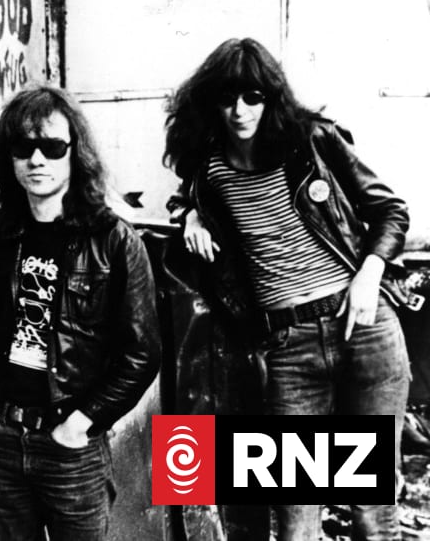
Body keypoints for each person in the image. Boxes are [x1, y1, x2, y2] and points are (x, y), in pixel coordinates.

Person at [163, 37, 411, 540]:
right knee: (296, 518)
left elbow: (391, 211)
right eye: (227, 98)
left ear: (270, 97)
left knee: (371, 508)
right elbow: (185, 197)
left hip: (362, 328)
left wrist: (369, 275)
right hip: (287, 347)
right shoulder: (208, 168)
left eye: (252, 97)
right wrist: (191, 215)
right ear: (211, 102)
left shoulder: (312, 142)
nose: (239, 111)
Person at [0, 85, 161, 540]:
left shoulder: (115, 240)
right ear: (8, 157)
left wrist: (82, 423)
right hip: (5, 437)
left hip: (72, 447)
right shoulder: (4, 233)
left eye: (53, 147)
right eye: (24, 147)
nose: (37, 160)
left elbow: (142, 353)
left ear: (76, 153)